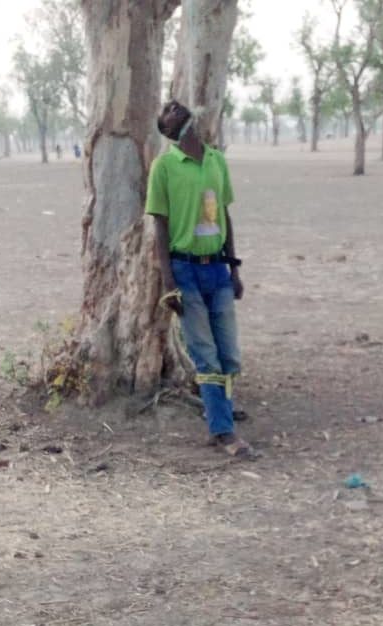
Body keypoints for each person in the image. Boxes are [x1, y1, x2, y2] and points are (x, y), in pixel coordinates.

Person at [145, 99, 253, 459]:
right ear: (169, 130)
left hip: (218, 269)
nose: (173, 105)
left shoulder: (217, 161)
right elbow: (159, 226)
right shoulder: (164, 167)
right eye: (168, 109)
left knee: (229, 354)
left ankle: (220, 410)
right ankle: (223, 431)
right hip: (185, 270)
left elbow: (224, 215)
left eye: (175, 105)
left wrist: (234, 268)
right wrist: (167, 281)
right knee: (206, 355)